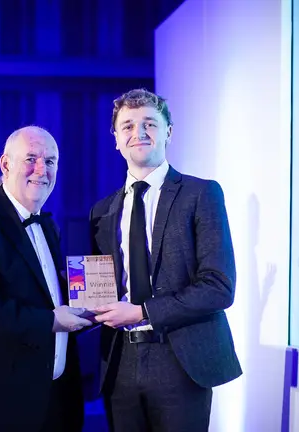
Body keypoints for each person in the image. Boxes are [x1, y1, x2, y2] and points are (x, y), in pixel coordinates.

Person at [89, 88, 242, 431]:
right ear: (115, 139)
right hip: (120, 361)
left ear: (169, 132)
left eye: (149, 124)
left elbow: (219, 287)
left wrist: (144, 311)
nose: (138, 133)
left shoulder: (201, 194)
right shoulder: (102, 211)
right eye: (127, 126)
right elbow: (99, 287)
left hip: (181, 359)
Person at [0, 125, 92, 432]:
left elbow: (41, 294)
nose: (42, 169)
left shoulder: (48, 226)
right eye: (31, 159)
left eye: (50, 161)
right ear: (5, 164)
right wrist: (51, 321)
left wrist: (91, 304)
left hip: (53, 401)